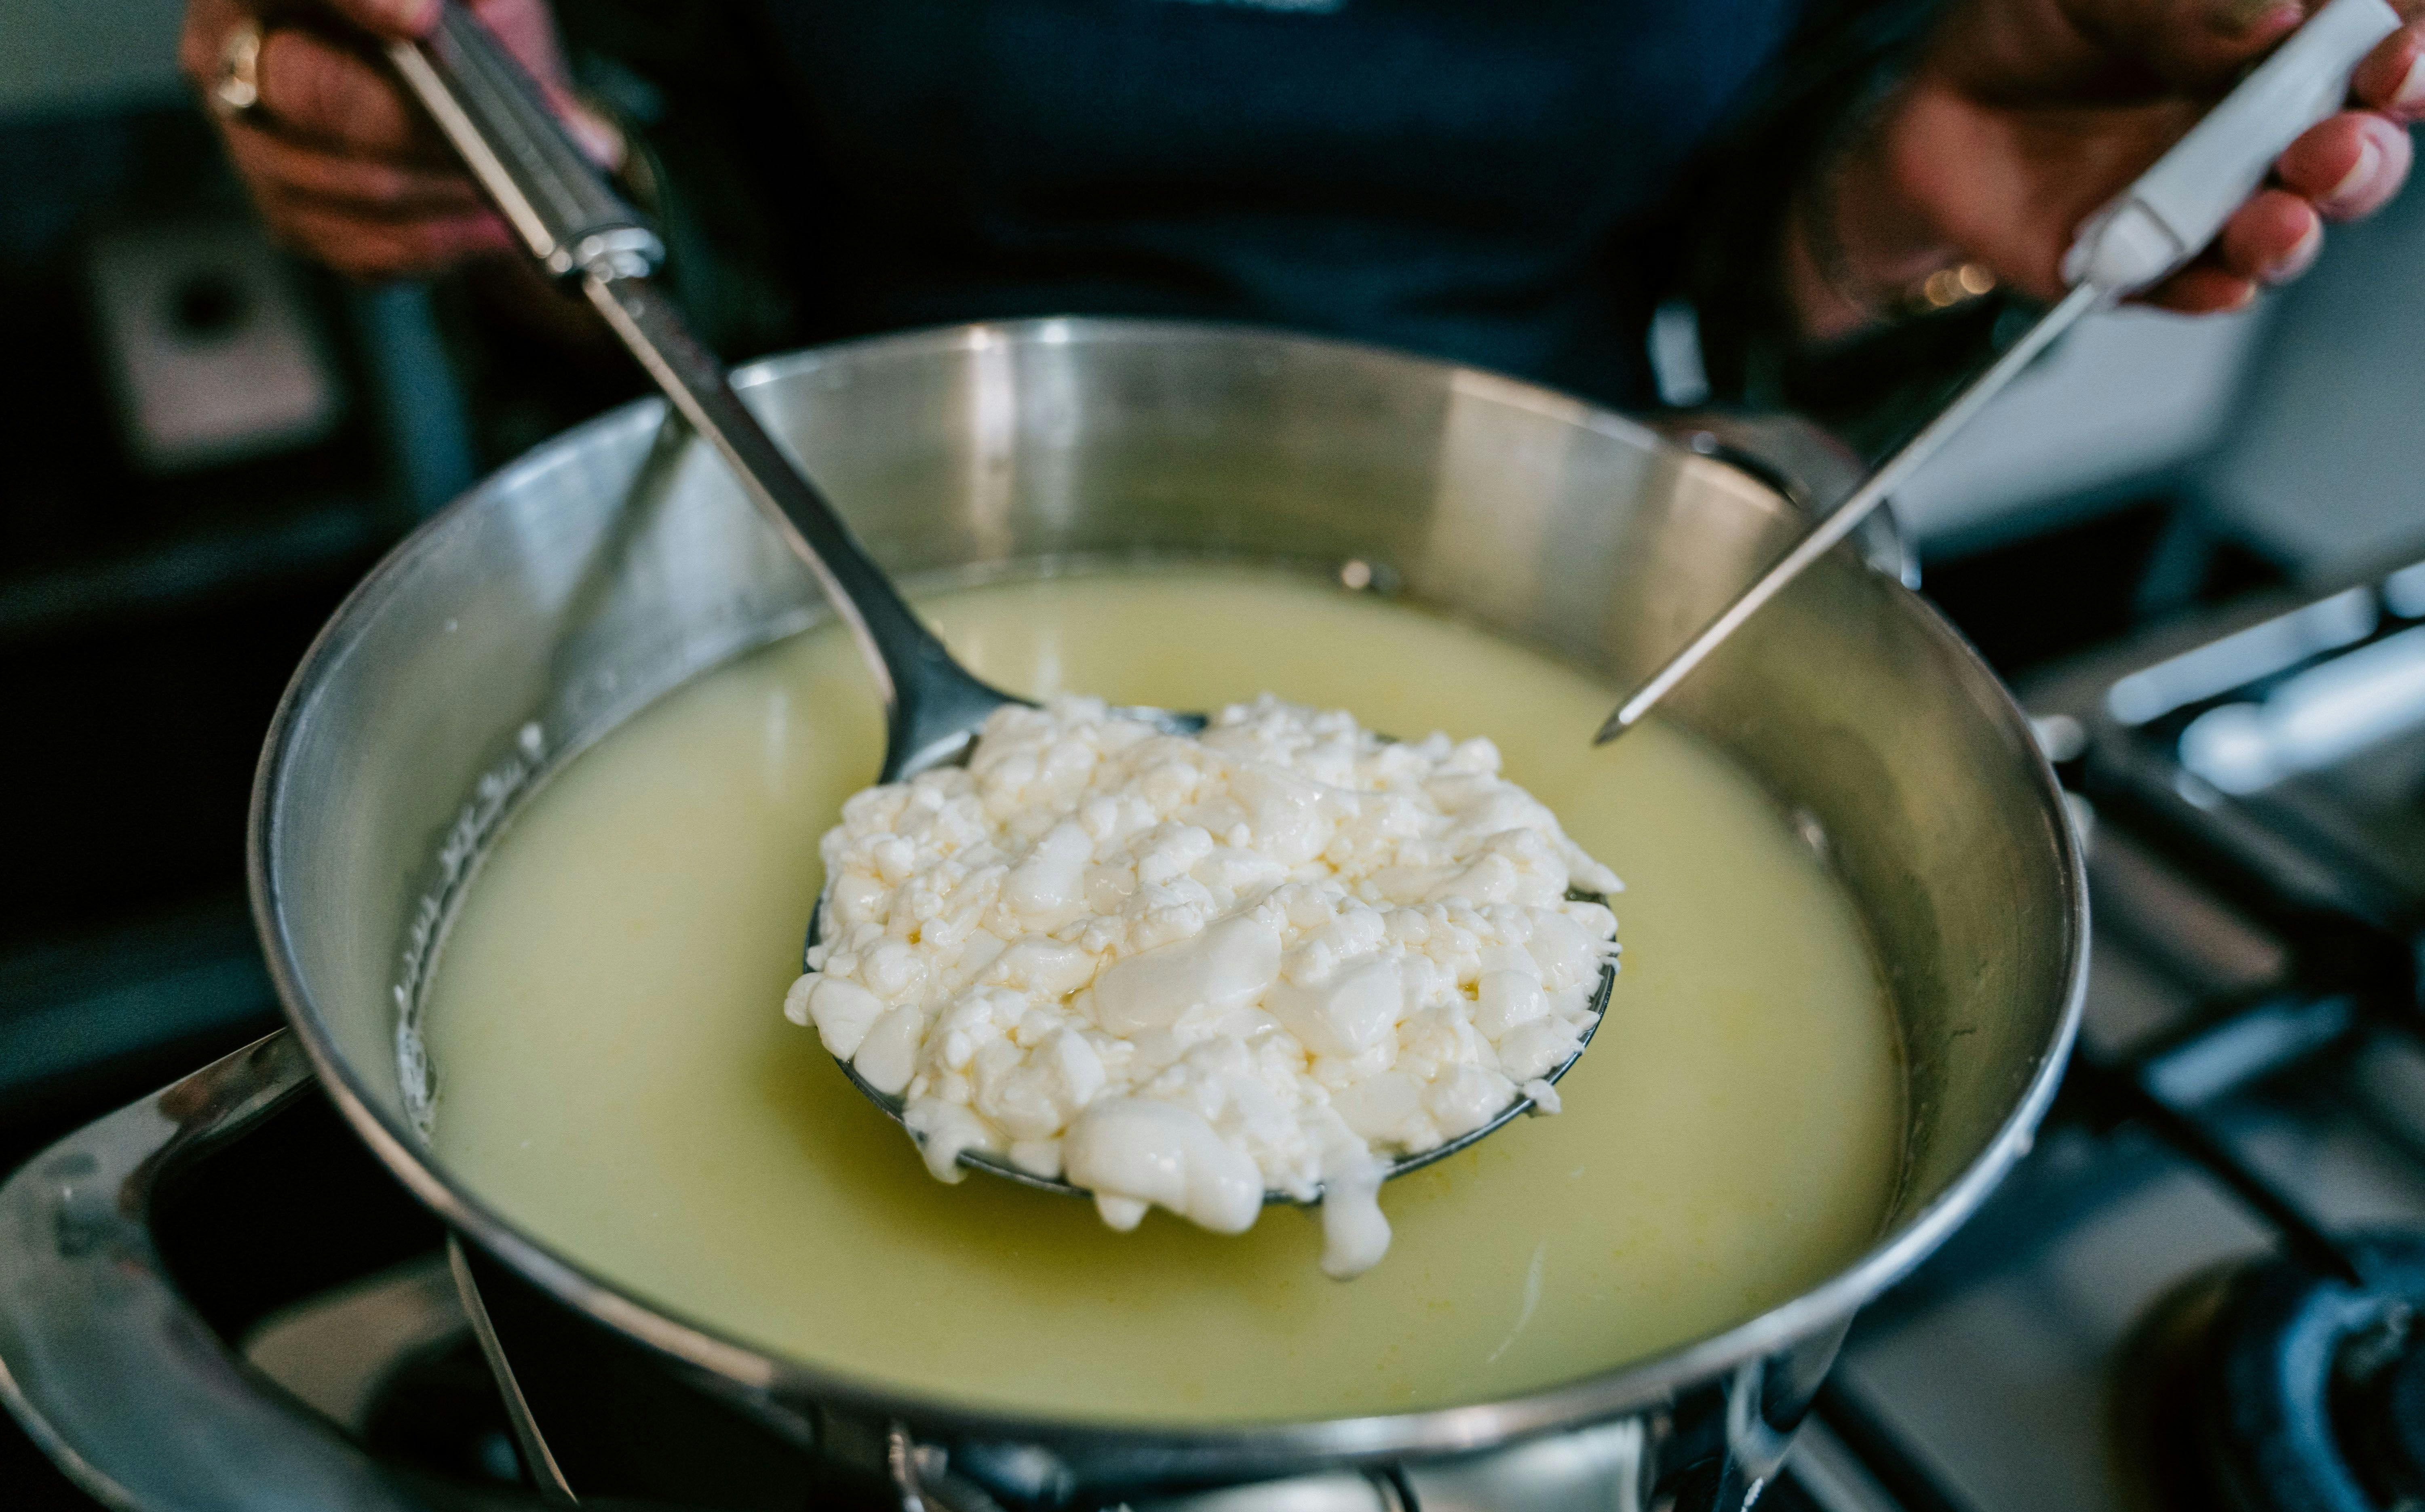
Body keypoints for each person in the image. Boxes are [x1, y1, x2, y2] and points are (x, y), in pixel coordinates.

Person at [177, 0, 2422, 420]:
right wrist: (498, 162)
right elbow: (665, 192)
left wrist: (1906, 203)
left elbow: (1762, 253)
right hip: (837, 504)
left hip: (1553, 563)